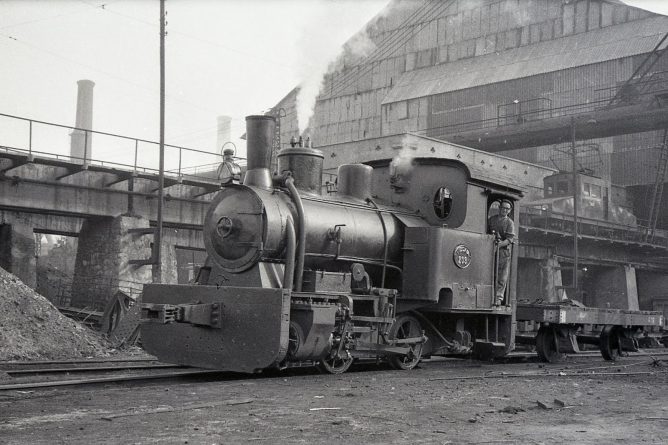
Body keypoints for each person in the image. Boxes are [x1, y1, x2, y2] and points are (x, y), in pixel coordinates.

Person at [488, 200, 515, 305]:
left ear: (509, 211)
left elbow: (510, 239)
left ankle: (499, 297)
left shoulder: (509, 223)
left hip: (503, 251)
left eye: (507, 209)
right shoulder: (492, 219)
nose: (504, 210)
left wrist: (499, 245)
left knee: (502, 276)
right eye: (503, 208)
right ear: (499, 208)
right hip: (490, 248)